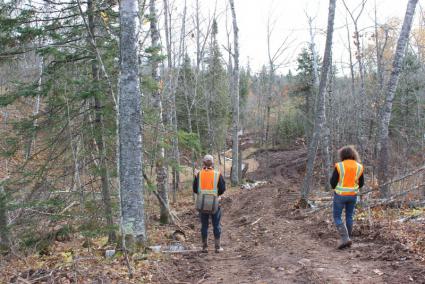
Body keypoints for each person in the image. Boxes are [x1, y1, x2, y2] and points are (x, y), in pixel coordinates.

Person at [330, 145, 364, 249]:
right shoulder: (359, 167)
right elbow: (361, 183)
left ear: (342, 155)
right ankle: (348, 238)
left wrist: (338, 187)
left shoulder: (339, 166)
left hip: (340, 195)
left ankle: (345, 238)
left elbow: (332, 183)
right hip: (353, 196)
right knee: (349, 216)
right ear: (353, 154)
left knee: (337, 217)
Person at [193, 154, 226, 253]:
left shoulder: (199, 174)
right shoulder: (217, 174)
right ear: (212, 163)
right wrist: (215, 194)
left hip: (202, 203)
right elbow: (222, 189)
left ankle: (205, 247)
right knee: (216, 225)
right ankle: (217, 247)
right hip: (215, 203)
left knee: (204, 225)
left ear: (203, 163)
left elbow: (195, 189)